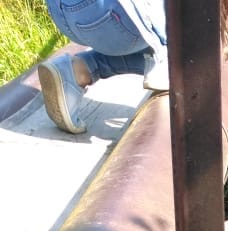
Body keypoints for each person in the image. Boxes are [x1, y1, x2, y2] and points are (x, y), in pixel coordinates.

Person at [39, 0, 168, 135]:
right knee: (186, 51)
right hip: (112, 15)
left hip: (63, 15)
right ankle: (166, 54)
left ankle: (80, 69)